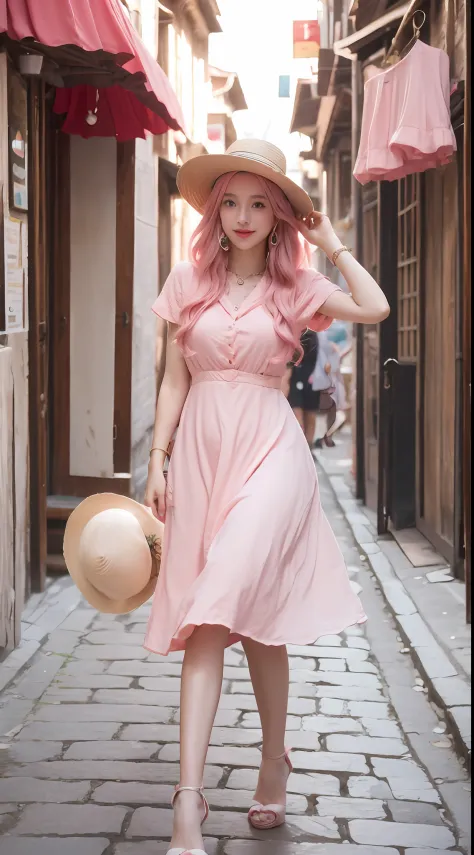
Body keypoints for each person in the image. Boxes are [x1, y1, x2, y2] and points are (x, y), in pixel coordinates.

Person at [143, 139, 390, 855]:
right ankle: (226, 781)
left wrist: (333, 242)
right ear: (215, 212)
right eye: (232, 202)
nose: (244, 216)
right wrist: (157, 458)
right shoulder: (186, 280)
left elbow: (373, 308)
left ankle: (199, 798)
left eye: (259, 203)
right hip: (199, 453)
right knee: (244, 617)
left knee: (220, 600)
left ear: (279, 215)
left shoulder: (298, 287)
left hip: (271, 451)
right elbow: (172, 380)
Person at [283, 328, 320, 446]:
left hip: (310, 377)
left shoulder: (314, 332)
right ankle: (302, 445)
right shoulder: (291, 329)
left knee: (309, 412)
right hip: (299, 376)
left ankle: (308, 446)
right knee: (299, 411)